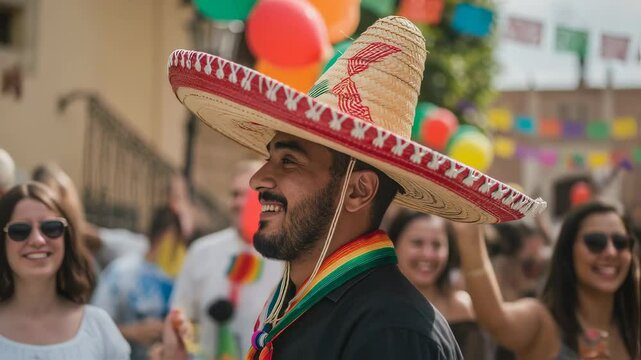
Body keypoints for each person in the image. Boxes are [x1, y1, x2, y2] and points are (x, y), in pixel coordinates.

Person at [163, 15, 546, 360]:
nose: (257, 179)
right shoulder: (308, 303)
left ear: (359, 190)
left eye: (289, 161)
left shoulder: (392, 331)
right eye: (270, 157)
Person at [453, 201, 640, 359]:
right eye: (595, 242)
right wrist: (469, 234)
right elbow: (495, 319)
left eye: (621, 242)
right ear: (568, 251)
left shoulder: (632, 327)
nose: (610, 252)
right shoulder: (542, 323)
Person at [0, 182, 130, 359]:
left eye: (51, 228)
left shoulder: (100, 329)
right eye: (20, 230)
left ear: (66, 240)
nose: (37, 240)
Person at [169, 160, 283, 360]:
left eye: (247, 194)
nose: (238, 203)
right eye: (234, 195)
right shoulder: (202, 251)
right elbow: (179, 317)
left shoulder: (286, 259)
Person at [388, 210, 495, 359]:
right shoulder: (376, 308)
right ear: (393, 245)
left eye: (437, 245)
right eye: (417, 243)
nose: (428, 254)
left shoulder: (462, 308)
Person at [92, 206, 183, 359]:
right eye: (179, 240)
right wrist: (134, 332)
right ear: (168, 235)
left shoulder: (180, 276)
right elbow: (94, 328)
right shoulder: (121, 273)